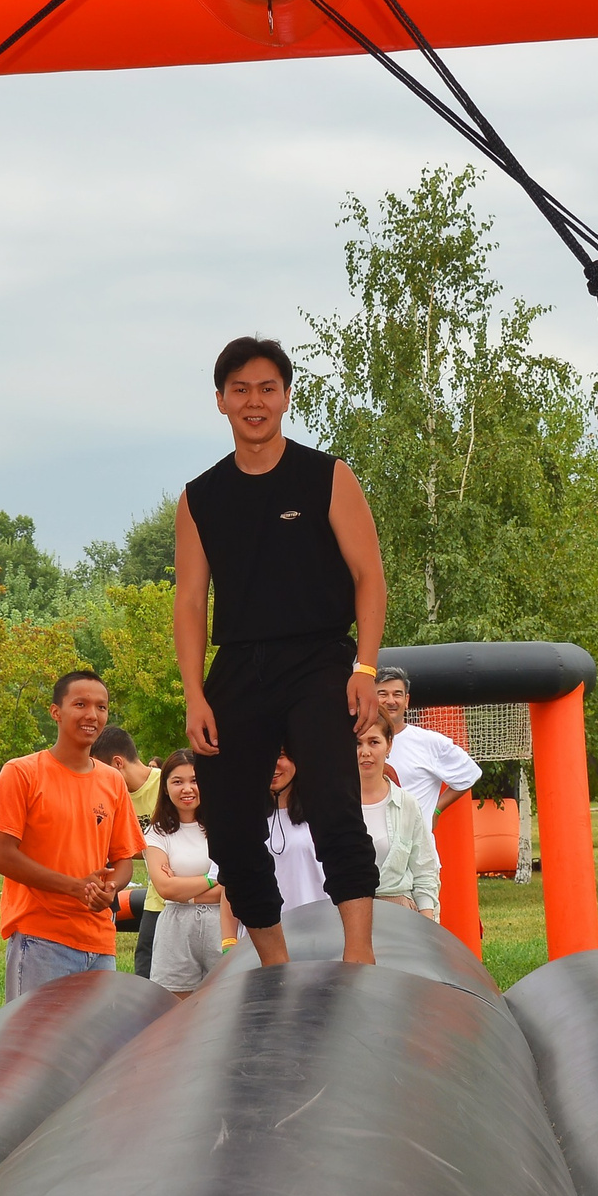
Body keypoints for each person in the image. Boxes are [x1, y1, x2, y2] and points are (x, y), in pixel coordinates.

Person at [175, 337, 389, 968]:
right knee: (233, 827)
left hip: (320, 658)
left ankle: (359, 956)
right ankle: (274, 963)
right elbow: (190, 602)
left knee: (331, 805)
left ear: (287, 397)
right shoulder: (200, 496)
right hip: (238, 666)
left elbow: (369, 576)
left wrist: (366, 667)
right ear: (220, 401)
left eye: (268, 388)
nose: (254, 400)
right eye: (239, 389)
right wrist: (194, 692)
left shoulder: (327, 475)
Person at [0, 670, 143, 998]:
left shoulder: (113, 781)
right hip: (41, 939)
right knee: (36, 1046)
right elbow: (2, 856)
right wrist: (73, 887)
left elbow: (123, 859)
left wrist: (109, 888)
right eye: (81, 704)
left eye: (101, 707)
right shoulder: (23, 772)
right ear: (55, 712)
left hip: (101, 941)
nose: (92, 715)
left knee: (97, 1047)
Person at [143, 749, 224, 995]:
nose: (187, 789)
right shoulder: (156, 834)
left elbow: (234, 887)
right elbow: (165, 888)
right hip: (175, 931)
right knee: (174, 1011)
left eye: (195, 780)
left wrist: (183, 887)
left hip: (222, 924)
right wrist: (213, 879)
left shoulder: (223, 826)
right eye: (177, 782)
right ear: (165, 788)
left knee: (225, 1005)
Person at [357, 717, 441, 921]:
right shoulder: (333, 804)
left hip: (400, 917)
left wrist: (427, 925)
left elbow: (424, 870)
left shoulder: (407, 804)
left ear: (389, 745)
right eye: (357, 743)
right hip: (348, 916)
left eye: (374, 742)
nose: (365, 752)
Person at [374, 667, 482, 817]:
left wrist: (436, 810)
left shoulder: (430, 742)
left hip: (416, 839)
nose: (391, 701)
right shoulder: (358, 742)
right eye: (383, 694)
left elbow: (470, 773)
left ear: (406, 701)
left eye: (397, 694)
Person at [94, 728, 161, 972]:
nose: (98, 779)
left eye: (100, 771)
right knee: (145, 970)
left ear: (118, 763)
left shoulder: (169, 785)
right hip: (156, 899)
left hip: (185, 897)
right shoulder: (111, 796)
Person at [264, 747, 326, 912]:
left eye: (280, 755)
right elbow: (231, 887)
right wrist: (229, 938)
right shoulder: (244, 817)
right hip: (261, 932)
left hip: (317, 928)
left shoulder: (322, 812)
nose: (272, 764)